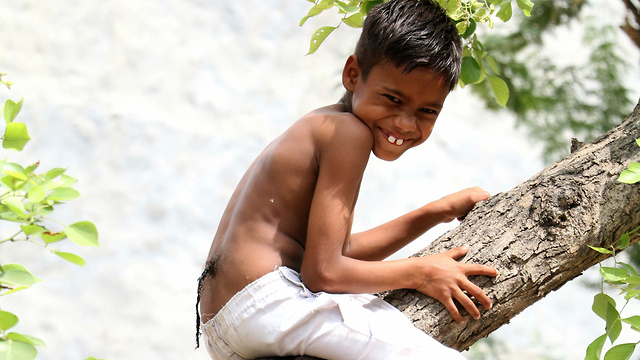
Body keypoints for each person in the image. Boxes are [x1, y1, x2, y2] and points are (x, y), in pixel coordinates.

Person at [196, 0, 499, 358]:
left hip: (224, 323)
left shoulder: (321, 125)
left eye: (426, 111)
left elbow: (336, 254)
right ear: (353, 74)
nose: (405, 122)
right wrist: (421, 272)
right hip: (268, 305)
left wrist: (435, 212)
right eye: (392, 98)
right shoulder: (348, 134)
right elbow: (324, 273)